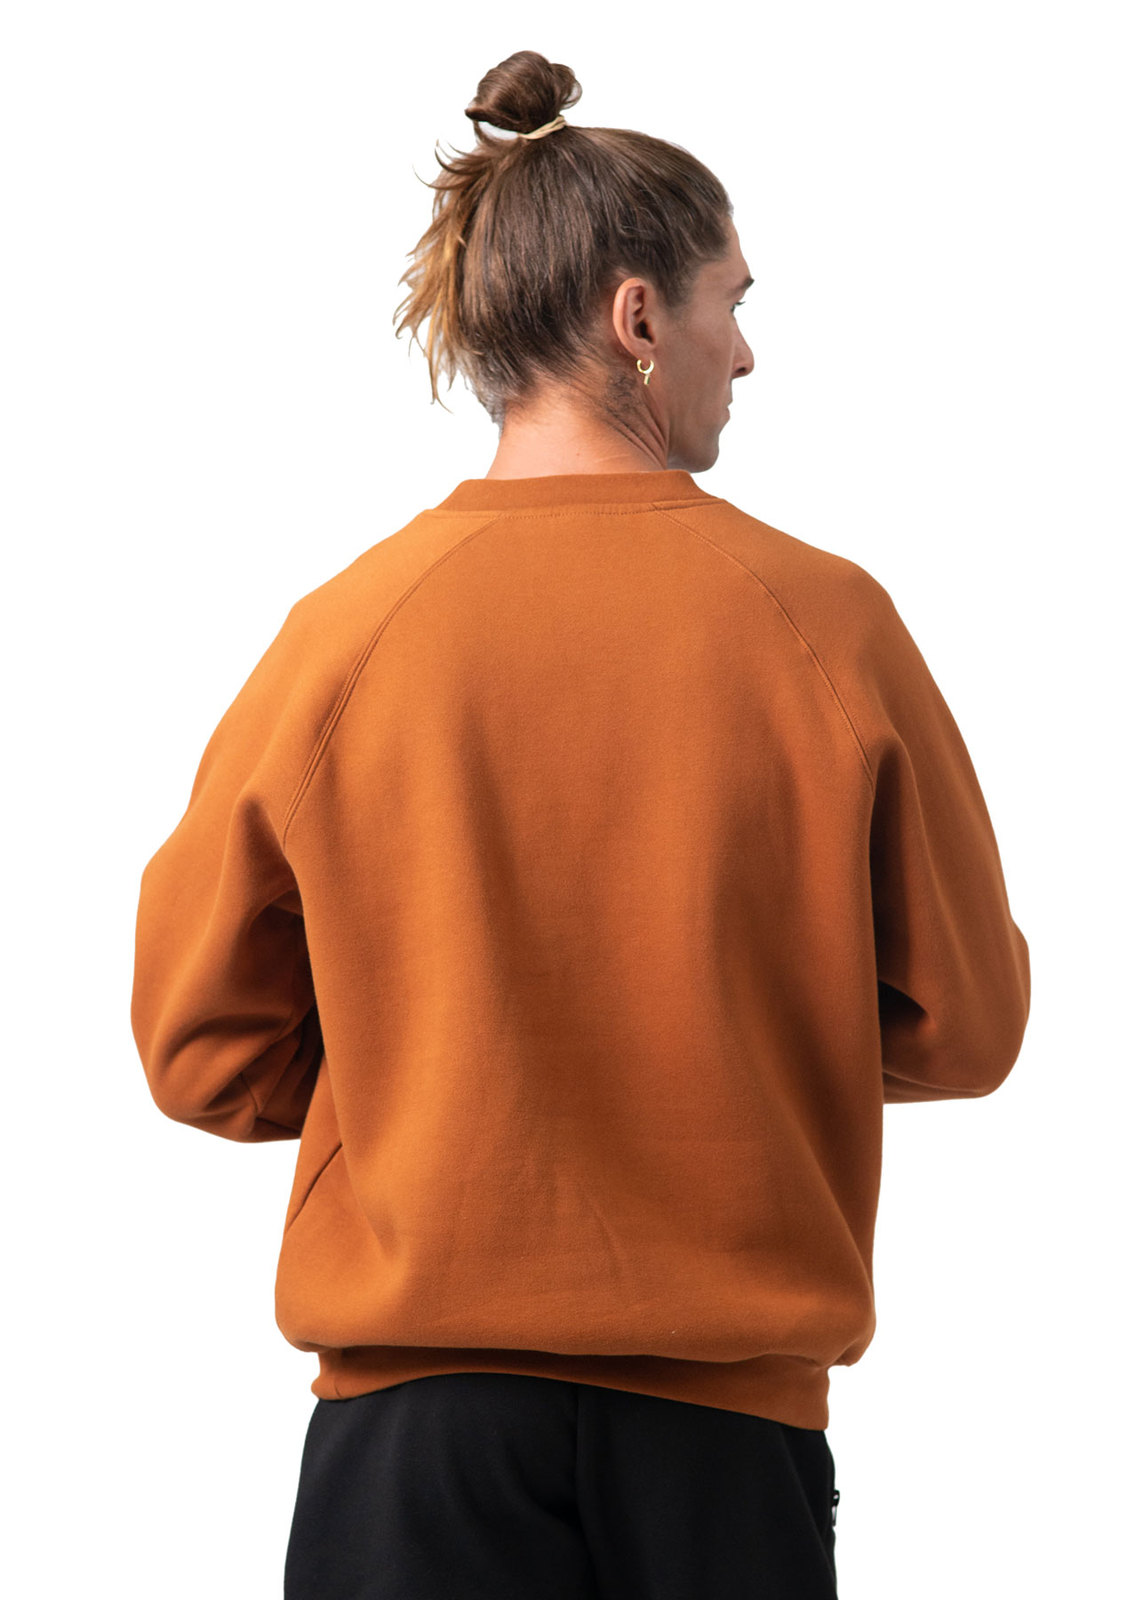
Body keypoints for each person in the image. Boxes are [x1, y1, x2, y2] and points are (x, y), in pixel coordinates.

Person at [129, 48, 1032, 1600]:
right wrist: (733, 1037)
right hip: (721, 1443)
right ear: (637, 319)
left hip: (412, 1446)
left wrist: (439, 1062)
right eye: (731, 302)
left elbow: (198, 1049)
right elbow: (970, 1027)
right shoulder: (822, 625)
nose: (747, 353)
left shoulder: (347, 638)